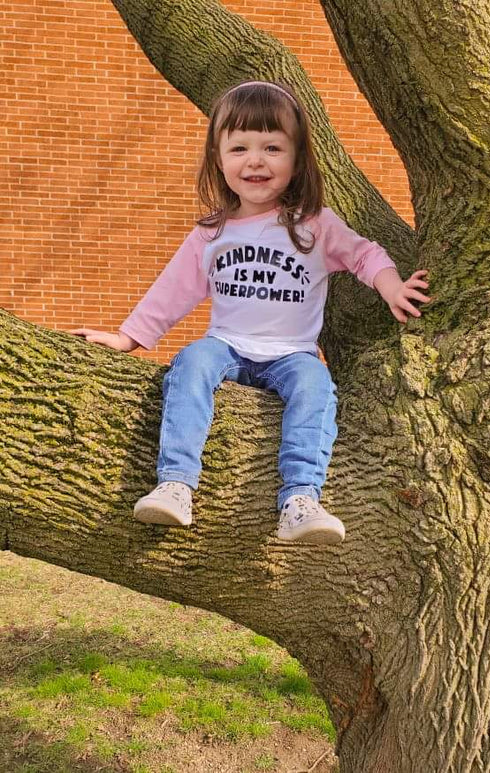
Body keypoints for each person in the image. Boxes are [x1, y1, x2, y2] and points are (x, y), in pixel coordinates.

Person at [71, 80, 430, 545]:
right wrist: (127, 338)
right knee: (191, 360)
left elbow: (366, 255)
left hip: (293, 353)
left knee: (316, 385)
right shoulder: (211, 233)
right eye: (239, 147)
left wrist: (393, 288)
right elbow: (171, 293)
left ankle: (301, 499)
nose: (255, 160)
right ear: (218, 159)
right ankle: (176, 483)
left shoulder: (314, 224)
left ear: (298, 160)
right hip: (227, 346)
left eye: (272, 147)